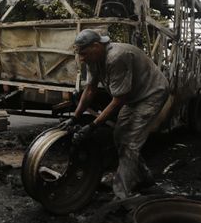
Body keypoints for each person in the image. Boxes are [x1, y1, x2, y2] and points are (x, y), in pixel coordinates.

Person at [64, 29, 169, 199]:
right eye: (79, 54)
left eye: (83, 53)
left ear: (96, 46)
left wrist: (92, 126)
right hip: (134, 97)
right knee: (119, 136)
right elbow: (90, 89)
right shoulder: (93, 59)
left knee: (130, 142)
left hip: (152, 94)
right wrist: (74, 117)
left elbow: (118, 100)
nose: (81, 58)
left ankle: (121, 195)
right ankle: (146, 180)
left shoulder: (116, 57)